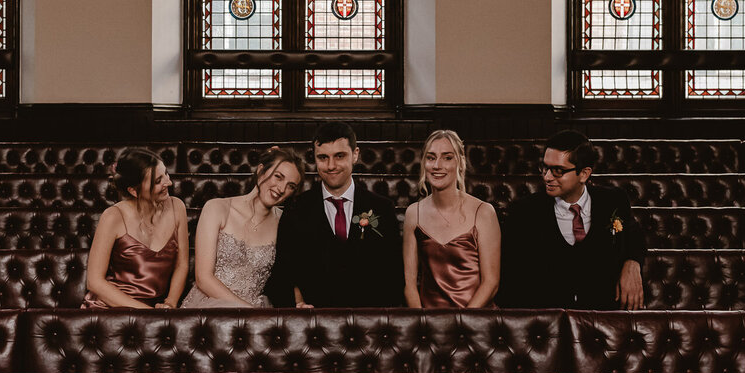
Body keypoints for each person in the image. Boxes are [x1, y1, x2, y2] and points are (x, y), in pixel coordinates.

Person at [497, 130, 646, 310]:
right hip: (548, 321)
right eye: (545, 168)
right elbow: (511, 275)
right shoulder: (524, 211)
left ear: (584, 174)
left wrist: (632, 263)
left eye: (558, 171)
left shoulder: (613, 201)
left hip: (602, 317)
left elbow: (634, 234)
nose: (547, 177)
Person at [265, 122, 404, 307]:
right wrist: (296, 307)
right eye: (323, 157)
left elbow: (394, 275)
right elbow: (282, 274)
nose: (331, 166)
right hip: (314, 324)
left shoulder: (382, 208)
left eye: (339, 156)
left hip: (370, 322)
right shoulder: (296, 209)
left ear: (355, 154)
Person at [181, 147, 306, 308]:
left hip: (257, 309)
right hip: (209, 305)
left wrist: (299, 302)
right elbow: (203, 278)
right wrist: (249, 313)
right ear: (261, 170)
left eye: (290, 186)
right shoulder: (217, 208)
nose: (281, 189)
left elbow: (292, 273)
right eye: (278, 177)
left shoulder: (285, 222)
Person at [403, 129, 500, 308]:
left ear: (460, 163)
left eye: (447, 157)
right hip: (429, 324)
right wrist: (422, 325)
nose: (437, 165)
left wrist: (462, 324)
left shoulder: (484, 212)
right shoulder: (413, 213)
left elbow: (491, 283)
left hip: (476, 321)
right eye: (431, 157)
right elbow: (409, 285)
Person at [82, 148, 190, 308]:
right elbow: (95, 282)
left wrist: (170, 303)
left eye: (166, 174)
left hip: (155, 313)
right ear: (134, 191)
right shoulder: (113, 216)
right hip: (111, 310)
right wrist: (147, 313)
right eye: (158, 181)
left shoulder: (177, 206)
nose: (169, 183)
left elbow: (182, 264)